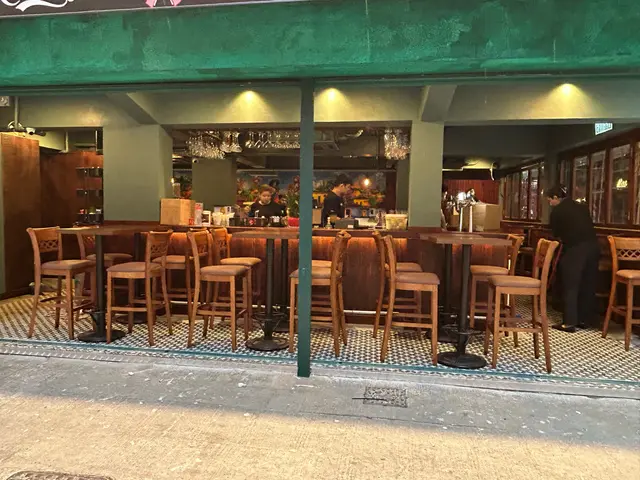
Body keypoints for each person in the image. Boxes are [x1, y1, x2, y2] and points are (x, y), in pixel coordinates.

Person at [546, 184, 600, 332]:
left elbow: (556, 233)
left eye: (550, 200)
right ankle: (584, 320)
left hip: (575, 249)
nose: (550, 204)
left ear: (556, 197)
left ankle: (569, 322)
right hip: (593, 247)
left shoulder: (558, 211)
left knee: (570, 285)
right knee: (587, 283)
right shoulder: (582, 207)